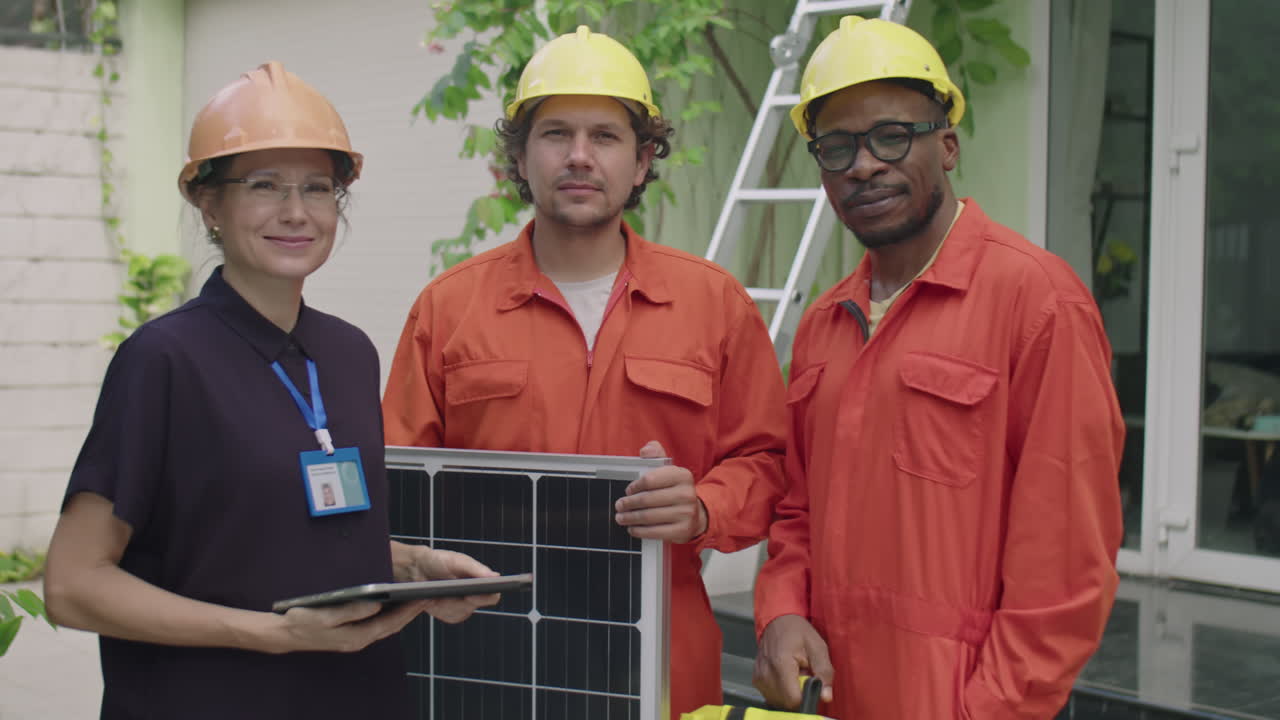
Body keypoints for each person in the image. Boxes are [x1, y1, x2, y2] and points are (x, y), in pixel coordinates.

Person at [43, 61, 497, 719]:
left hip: (358, 697)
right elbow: (73, 585)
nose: (295, 212)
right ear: (208, 202)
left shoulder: (348, 353)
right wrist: (274, 635)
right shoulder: (163, 360)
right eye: (264, 185)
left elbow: (274, 534)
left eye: (317, 188)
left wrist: (413, 566)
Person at [381, 26, 787, 717]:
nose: (578, 157)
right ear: (519, 156)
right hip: (483, 657)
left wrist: (701, 509)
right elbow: (393, 490)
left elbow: (767, 463)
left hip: (661, 654)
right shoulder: (448, 309)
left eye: (604, 137)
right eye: (555, 134)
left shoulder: (713, 304)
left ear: (642, 160)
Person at [751, 17, 1125, 720]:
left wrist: (989, 711)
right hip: (833, 698)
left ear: (947, 144)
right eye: (837, 147)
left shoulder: (1036, 303)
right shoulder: (826, 324)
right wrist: (780, 613)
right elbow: (796, 510)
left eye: (892, 136)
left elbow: (1068, 566)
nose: (863, 164)